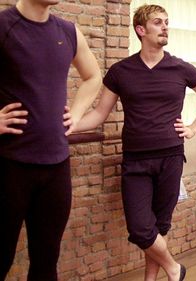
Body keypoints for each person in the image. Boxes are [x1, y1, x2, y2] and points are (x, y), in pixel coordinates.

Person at [72, 4, 196, 281]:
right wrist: (69, 126)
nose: (165, 27)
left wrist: (194, 127)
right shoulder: (121, 71)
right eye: (157, 23)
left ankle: (149, 279)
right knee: (141, 229)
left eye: (167, 22)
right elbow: (99, 114)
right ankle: (175, 269)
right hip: (135, 160)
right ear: (141, 30)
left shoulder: (180, 68)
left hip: (171, 157)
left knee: (159, 226)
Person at [0, 0, 102, 279]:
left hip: (56, 165)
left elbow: (93, 76)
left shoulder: (68, 31)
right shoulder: (4, 26)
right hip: (9, 165)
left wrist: (77, 114)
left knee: (46, 261)